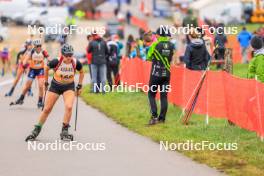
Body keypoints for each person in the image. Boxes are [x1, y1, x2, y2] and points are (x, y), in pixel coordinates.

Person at [25, 44, 84, 141]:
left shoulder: (75, 62)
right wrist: (46, 81)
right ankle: (36, 129)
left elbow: (81, 72)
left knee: (69, 106)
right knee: (47, 109)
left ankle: (64, 130)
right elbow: (46, 68)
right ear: (62, 54)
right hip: (56, 86)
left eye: (70, 55)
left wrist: (80, 85)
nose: (69, 58)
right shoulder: (56, 61)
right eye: (66, 55)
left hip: (69, 86)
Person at [147, 27, 175, 125]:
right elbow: (172, 57)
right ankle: (162, 119)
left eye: (156, 34)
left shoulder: (155, 44)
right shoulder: (172, 45)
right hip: (166, 74)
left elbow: (148, 57)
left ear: (159, 35)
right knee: (164, 96)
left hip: (156, 73)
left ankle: (154, 116)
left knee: (151, 94)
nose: (155, 35)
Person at [10, 39, 49, 108]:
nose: (39, 47)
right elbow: (25, 60)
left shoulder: (43, 52)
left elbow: (49, 58)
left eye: (40, 46)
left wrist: (49, 62)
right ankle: (21, 99)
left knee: (40, 85)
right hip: (32, 70)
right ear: (35, 46)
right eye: (37, 46)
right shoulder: (31, 52)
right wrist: (24, 63)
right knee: (27, 86)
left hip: (40, 70)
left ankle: (40, 101)